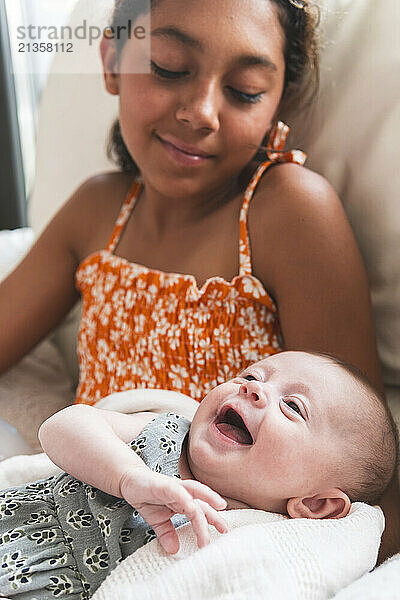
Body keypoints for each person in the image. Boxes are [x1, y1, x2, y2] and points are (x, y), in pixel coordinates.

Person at [0, 0, 398, 558]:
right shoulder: (98, 209)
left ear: (278, 100)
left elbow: (365, 478)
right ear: (112, 58)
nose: (202, 111)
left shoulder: (288, 212)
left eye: (245, 90)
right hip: (73, 519)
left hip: (200, 553)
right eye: (168, 68)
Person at [0, 351, 397, 599]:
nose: (254, 391)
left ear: (315, 503)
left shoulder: (262, 541)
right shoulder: (165, 432)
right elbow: (62, 426)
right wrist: (128, 476)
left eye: (293, 407)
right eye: (252, 376)